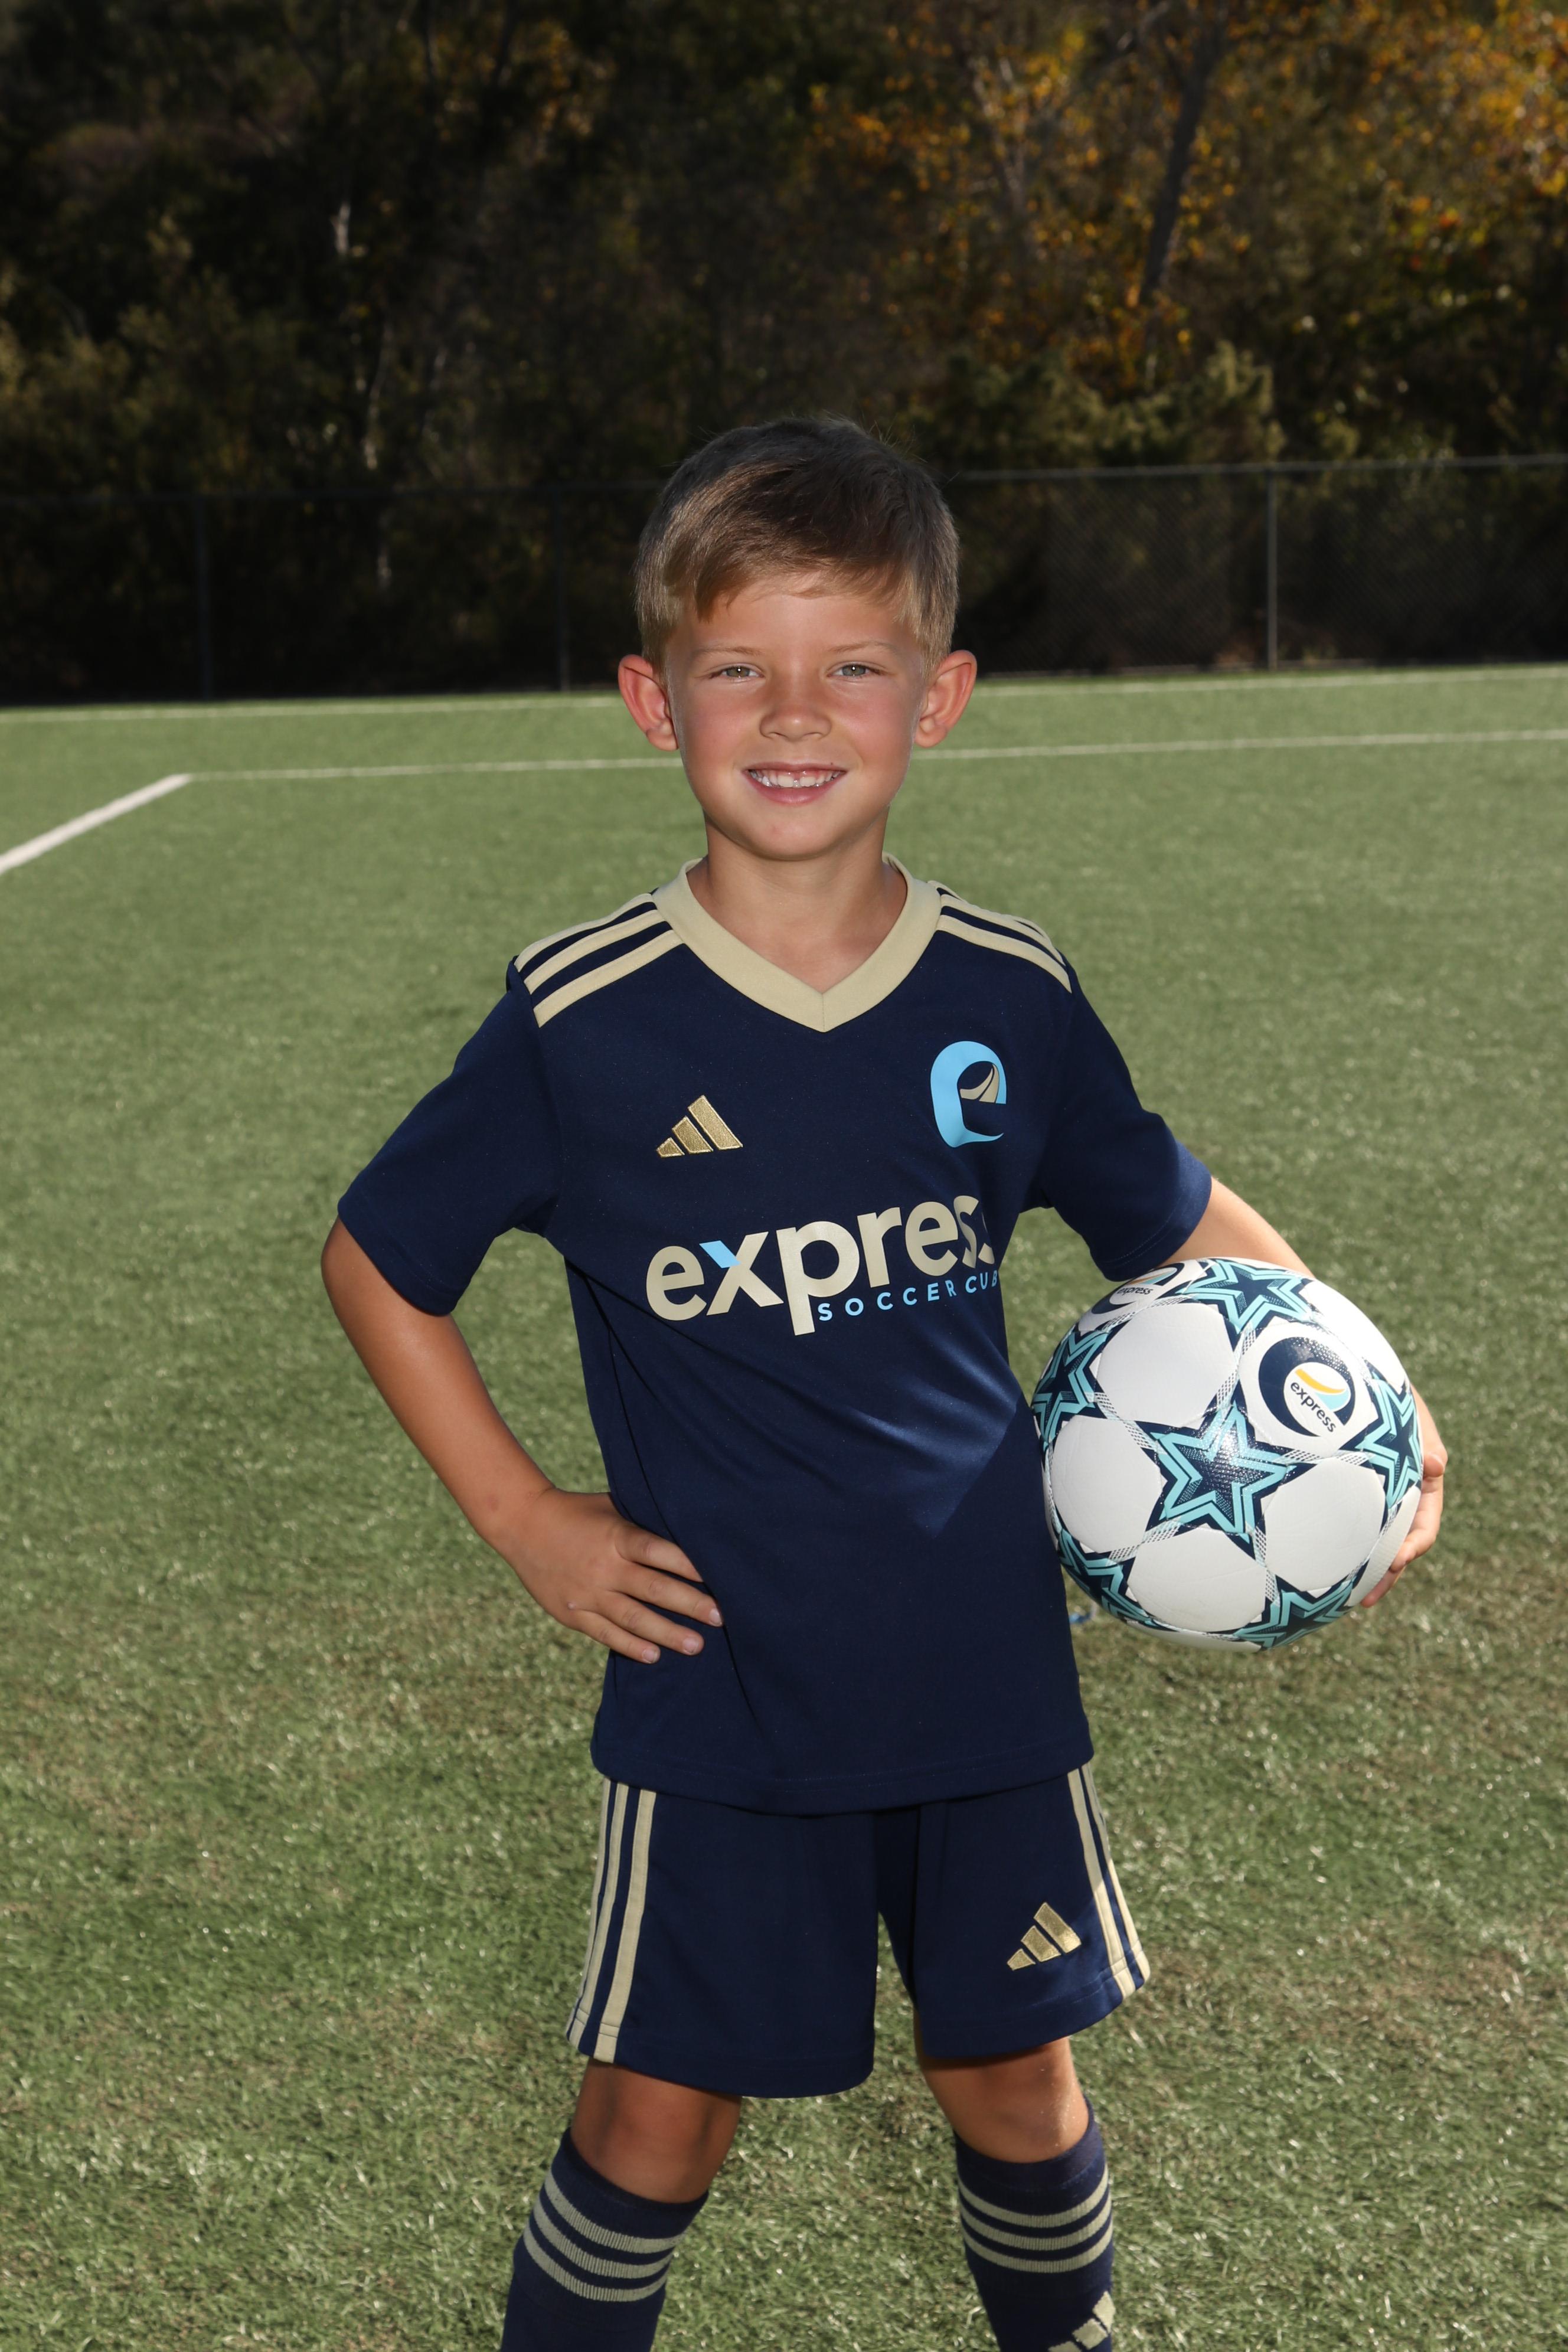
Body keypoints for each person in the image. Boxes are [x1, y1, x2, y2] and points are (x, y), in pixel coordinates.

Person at [321, 418, 1446, 2352]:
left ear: (939, 696)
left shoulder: (1009, 994)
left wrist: (1378, 1420)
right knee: (654, 2122)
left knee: (1017, 2085)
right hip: (725, 1693)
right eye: (736, 667)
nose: (793, 714)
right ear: (650, 698)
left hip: (982, 1674)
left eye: (851, 666)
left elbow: (1177, 1223)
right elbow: (378, 1258)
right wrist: (526, 1520)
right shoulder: (584, 1020)